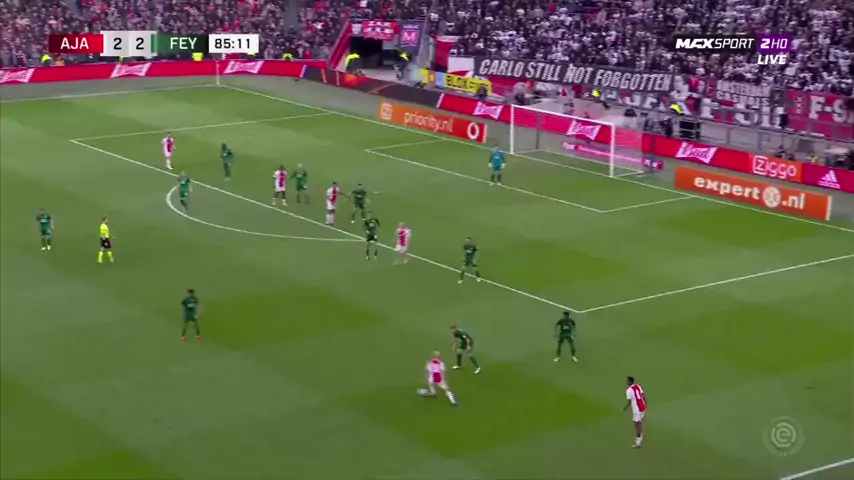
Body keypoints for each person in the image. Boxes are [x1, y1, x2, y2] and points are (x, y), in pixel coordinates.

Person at [623, 376, 647, 448]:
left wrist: (624, 409)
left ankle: (638, 442)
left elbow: (629, 402)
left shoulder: (629, 391)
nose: (626, 382)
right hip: (643, 407)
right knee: (639, 422)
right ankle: (639, 438)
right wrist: (645, 403)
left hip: (637, 410)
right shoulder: (638, 386)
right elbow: (643, 395)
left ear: (630, 382)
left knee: (637, 424)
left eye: (627, 381)